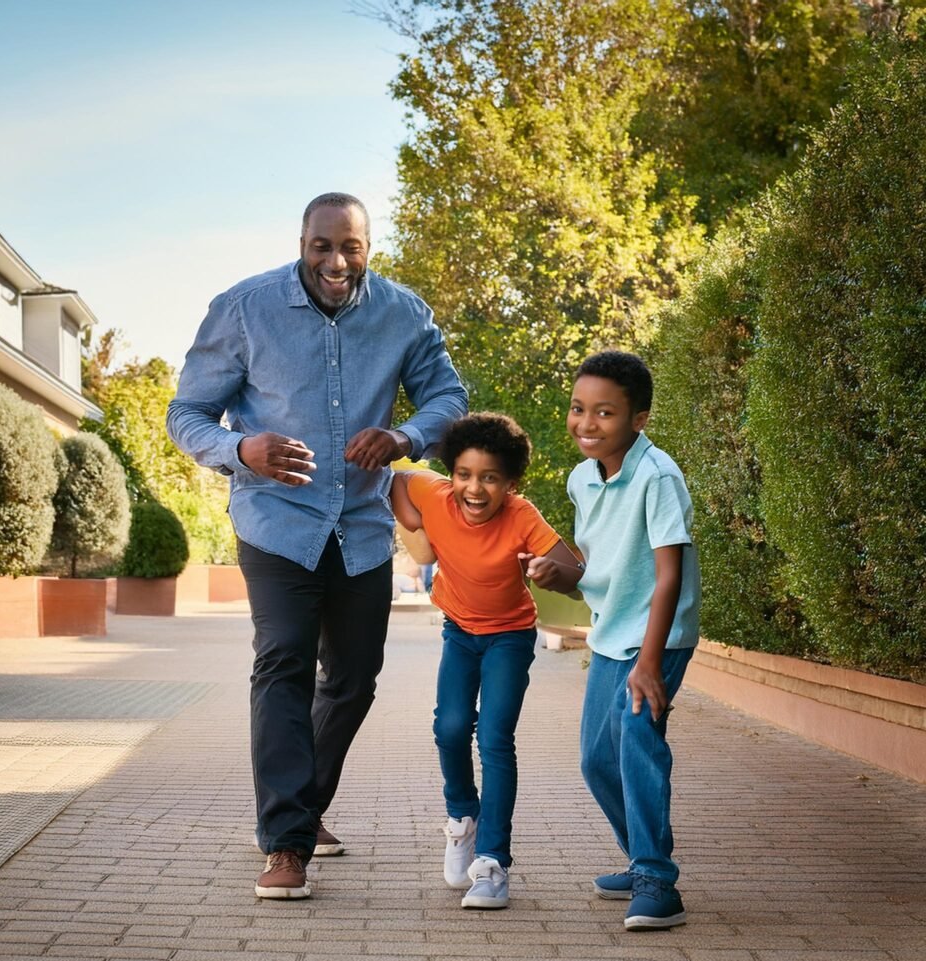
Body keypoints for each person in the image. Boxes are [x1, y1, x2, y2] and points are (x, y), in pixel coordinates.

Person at [166, 192, 467, 900]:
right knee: (284, 663)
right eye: (321, 246)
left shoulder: (403, 313)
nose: (336, 262)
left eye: (350, 247)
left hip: (360, 524)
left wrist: (403, 436)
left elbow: (447, 398)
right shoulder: (244, 309)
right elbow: (187, 413)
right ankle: (286, 841)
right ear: (301, 242)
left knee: (355, 676)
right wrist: (241, 449)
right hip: (275, 520)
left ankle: (298, 807)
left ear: (368, 248)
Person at [533, 350, 700, 930]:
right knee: (596, 759)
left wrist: (649, 663)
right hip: (612, 634)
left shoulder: (658, 477)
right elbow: (599, 570)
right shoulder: (582, 478)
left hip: (657, 636)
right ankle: (643, 857)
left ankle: (657, 880)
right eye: (578, 408)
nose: (587, 423)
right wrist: (562, 576)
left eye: (604, 412)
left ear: (639, 419)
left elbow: (668, 575)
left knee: (636, 742)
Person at [391, 412, 582, 909]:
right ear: (452, 472)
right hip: (459, 632)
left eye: (490, 478)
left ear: (511, 483)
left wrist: (551, 571)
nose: (474, 488)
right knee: (450, 727)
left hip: (510, 638)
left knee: (495, 738)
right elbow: (399, 479)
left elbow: (573, 570)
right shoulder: (435, 494)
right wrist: (414, 527)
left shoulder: (522, 516)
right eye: (464, 474)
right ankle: (462, 819)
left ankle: (492, 862)